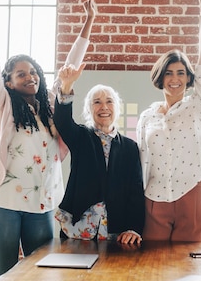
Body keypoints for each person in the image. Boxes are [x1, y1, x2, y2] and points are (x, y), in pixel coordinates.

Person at [0, 0, 94, 277]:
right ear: (9, 82)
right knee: (7, 277)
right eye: (21, 73)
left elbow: (70, 67)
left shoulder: (49, 110)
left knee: (40, 275)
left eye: (33, 71)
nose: (30, 76)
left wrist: (89, 20)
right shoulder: (3, 106)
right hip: (4, 204)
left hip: (42, 206)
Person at [136, 0, 201, 242]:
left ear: (189, 78)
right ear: (161, 77)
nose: (175, 78)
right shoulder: (147, 117)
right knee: (152, 267)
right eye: (169, 72)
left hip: (191, 194)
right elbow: (140, 162)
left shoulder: (198, 105)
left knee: (190, 268)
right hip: (154, 200)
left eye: (181, 73)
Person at [53, 27, 145, 243]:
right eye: (97, 102)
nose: (104, 107)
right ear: (89, 109)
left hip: (117, 231)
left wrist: (134, 228)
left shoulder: (130, 147)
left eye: (109, 101)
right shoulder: (81, 137)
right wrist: (67, 85)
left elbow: (135, 191)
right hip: (78, 229)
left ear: (117, 108)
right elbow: (63, 122)